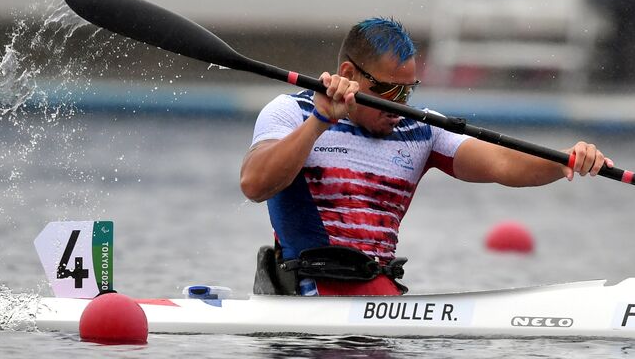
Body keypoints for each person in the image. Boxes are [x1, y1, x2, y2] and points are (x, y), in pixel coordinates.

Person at [241, 17, 611, 297]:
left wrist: (565, 159)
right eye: (387, 90)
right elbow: (254, 185)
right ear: (349, 74)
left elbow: (501, 163)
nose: (399, 106)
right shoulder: (290, 113)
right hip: (308, 299)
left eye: (408, 91)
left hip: (377, 295)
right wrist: (320, 122)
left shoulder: (421, 130)